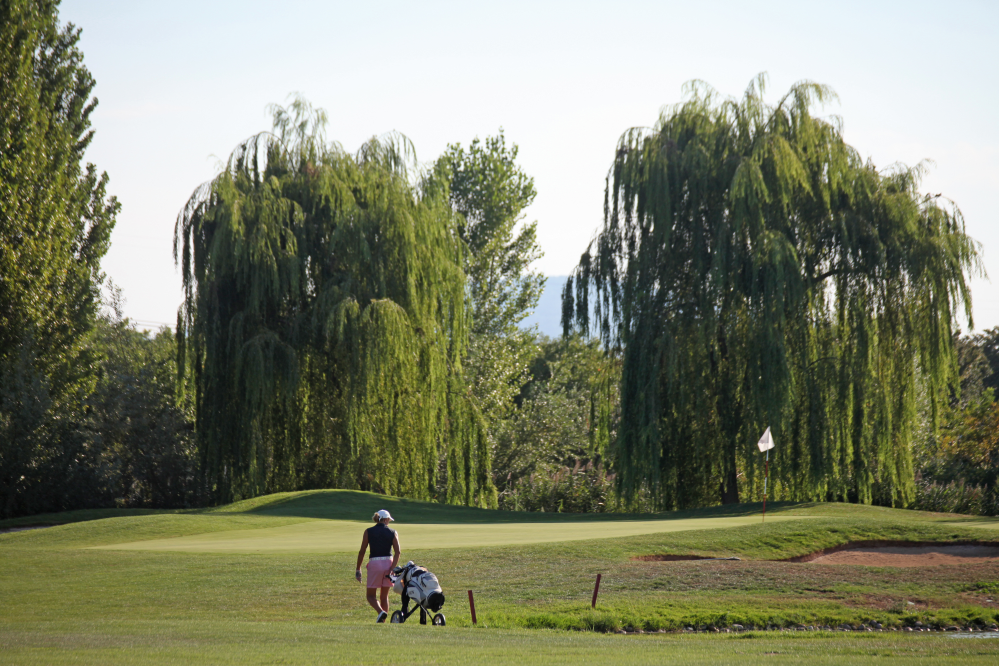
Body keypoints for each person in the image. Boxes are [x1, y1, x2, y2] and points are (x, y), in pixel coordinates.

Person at [355, 509, 401, 623]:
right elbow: (398, 552)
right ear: (385, 519)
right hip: (388, 563)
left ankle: (381, 612)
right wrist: (392, 568)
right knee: (384, 596)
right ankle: (382, 620)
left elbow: (362, 551)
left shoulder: (368, 531)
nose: (389, 522)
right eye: (389, 520)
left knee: (370, 596)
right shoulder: (393, 532)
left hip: (374, 564)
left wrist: (358, 568)